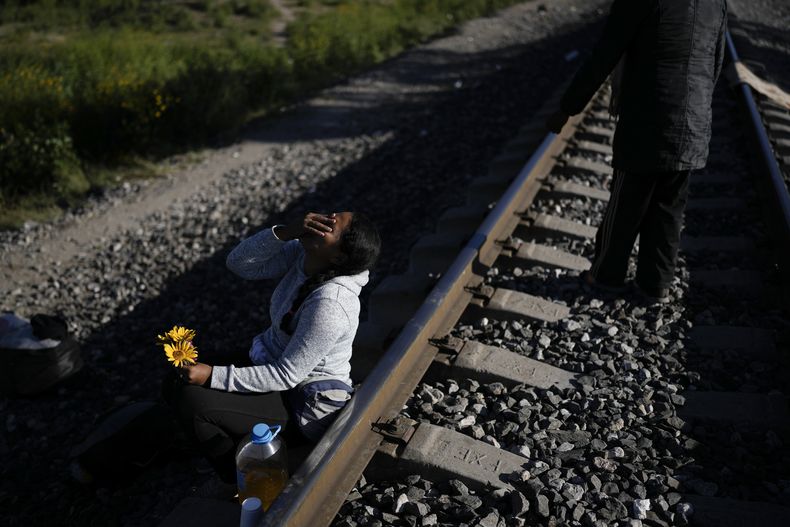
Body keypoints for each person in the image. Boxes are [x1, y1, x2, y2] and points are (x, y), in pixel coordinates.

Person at [163, 211, 380, 490]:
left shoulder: (332, 306)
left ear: (337, 257)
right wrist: (284, 232)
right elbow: (239, 264)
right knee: (174, 380)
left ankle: (247, 480)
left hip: (303, 402)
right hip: (271, 363)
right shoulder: (307, 257)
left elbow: (287, 375)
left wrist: (212, 376)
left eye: (330, 226)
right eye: (329, 215)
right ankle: (206, 440)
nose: (323, 219)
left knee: (192, 402)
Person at [546, 0, 728, 301]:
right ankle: (655, 284)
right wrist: (696, 106)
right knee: (669, 208)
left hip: (647, 117)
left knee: (627, 203)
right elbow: (716, 61)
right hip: (692, 121)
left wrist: (568, 107)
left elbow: (604, 54)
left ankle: (605, 275)